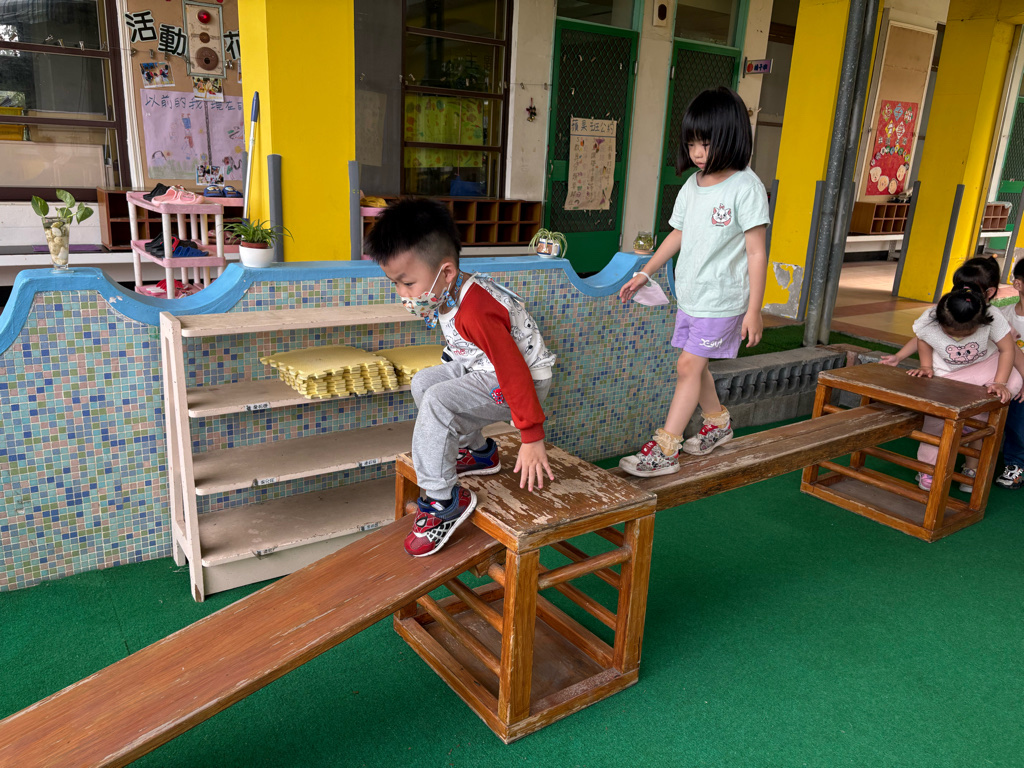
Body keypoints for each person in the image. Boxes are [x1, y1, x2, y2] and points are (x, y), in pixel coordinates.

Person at [364, 198, 557, 556]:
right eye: (396, 284)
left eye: (408, 283)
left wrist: (531, 436)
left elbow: (513, 369)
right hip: (484, 368)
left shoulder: (476, 309)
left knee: (439, 402)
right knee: (425, 383)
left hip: (522, 381)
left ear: (447, 272)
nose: (403, 294)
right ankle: (480, 453)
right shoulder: (447, 292)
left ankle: (443, 501)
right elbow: (465, 348)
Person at [617, 86, 769, 477]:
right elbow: (678, 233)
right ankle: (718, 424)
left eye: (706, 143)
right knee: (694, 367)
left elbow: (757, 252)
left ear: (731, 136)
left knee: (687, 365)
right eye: (692, 143)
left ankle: (666, 449)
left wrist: (754, 310)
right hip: (692, 296)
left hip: (722, 300)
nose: (698, 152)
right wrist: (645, 272)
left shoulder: (747, 187)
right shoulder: (693, 184)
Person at [907, 285, 1022, 490]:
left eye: (967, 333)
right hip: (948, 376)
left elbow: (1007, 350)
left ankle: (974, 430)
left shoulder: (991, 315)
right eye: (952, 333)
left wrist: (1000, 383)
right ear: (940, 320)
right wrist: (925, 366)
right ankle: (928, 469)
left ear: (980, 322)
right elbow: (922, 339)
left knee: (1012, 381)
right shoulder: (930, 318)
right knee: (935, 421)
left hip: (983, 368)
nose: (959, 338)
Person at [881, 257, 1001, 367]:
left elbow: (1008, 350)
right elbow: (924, 335)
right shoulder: (946, 310)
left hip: (979, 371)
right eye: (959, 287)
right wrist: (898, 357)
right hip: (946, 371)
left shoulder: (993, 317)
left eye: (971, 290)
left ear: (989, 292)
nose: (963, 292)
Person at [996, 258, 1024, 489]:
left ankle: (1016, 461)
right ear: (1018, 284)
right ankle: (1014, 463)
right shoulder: (1003, 315)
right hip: (1010, 378)